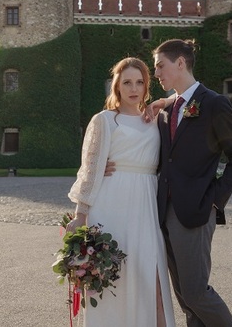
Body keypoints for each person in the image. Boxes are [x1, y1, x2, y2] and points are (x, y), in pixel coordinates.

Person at [66, 57, 176, 327]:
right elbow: (90, 169)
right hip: (111, 202)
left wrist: (162, 102)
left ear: (147, 85)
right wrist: (80, 216)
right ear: (116, 86)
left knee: (153, 277)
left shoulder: (156, 118)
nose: (133, 88)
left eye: (139, 82)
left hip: (147, 202)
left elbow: (190, 94)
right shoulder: (104, 120)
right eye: (127, 82)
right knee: (115, 277)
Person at [152, 38, 232, 327]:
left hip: (195, 212)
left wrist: (213, 200)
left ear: (180, 63)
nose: (156, 73)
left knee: (196, 293)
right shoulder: (167, 110)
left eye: (160, 66)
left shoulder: (214, 104)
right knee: (184, 298)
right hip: (163, 213)